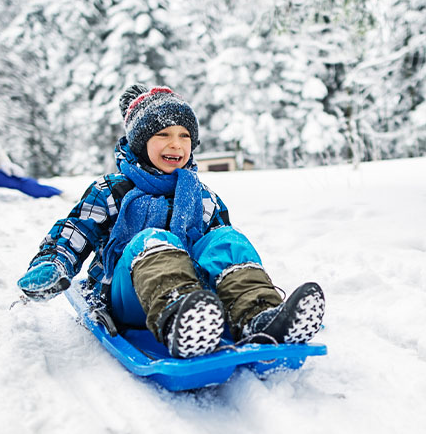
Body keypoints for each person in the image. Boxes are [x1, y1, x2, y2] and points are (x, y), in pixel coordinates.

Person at [16, 85, 325, 359]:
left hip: (197, 295)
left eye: (184, 136)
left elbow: (217, 252)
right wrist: (52, 264)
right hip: (128, 295)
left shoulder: (201, 196)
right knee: (152, 239)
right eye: (163, 135)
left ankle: (259, 315)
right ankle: (182, 321)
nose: (176, 145)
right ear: (140, 142)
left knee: (226, 240)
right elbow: (74, 232)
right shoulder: (112, 190)